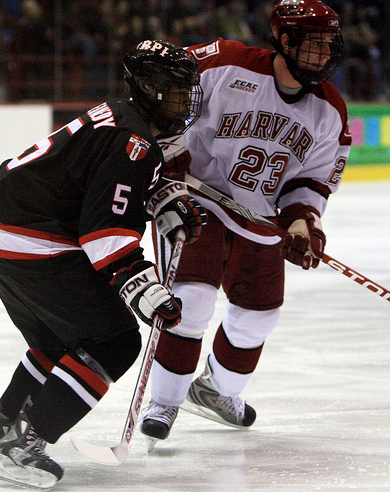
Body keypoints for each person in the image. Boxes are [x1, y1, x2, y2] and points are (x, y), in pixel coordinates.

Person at [0, 39, 207, 487]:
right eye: (176, 89)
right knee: (114, 342)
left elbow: (95, 191)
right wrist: (143, 287)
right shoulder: (134, 141)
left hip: (1, 226)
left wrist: (158, 198)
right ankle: (24, 447)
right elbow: (102, 233)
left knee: (58, 339)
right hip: (32, 238)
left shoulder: (120, 118)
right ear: (149, 88)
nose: (185, 100)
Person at [140, 0, 352, 443]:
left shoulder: (330, 110)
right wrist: (171, 155)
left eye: (331, 45)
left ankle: (215, 391)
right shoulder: (226, 64)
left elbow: (312, 180)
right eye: (316, 45)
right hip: (194, 196)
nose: (327, 56)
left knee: (258, 317)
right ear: (285, 40)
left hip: (258, 215)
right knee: (190, 300)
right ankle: (164, 401)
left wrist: (300, 224)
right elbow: (161, 86)